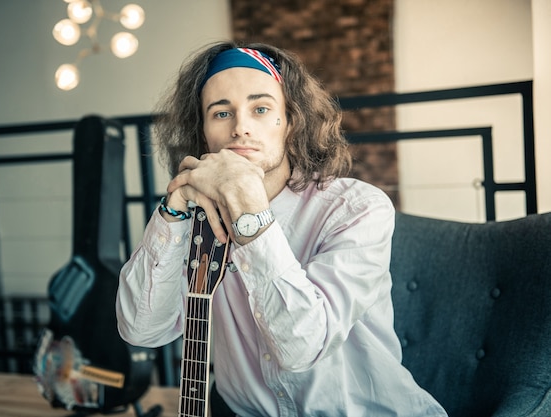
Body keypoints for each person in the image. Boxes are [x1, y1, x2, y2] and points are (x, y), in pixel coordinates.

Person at [116, 41, 447, 416]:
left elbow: (302, 346)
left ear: (291, 121)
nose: (240, 128)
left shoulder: (357, 209)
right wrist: (173, 209)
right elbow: (142, 330)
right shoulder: (194, 219)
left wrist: (248, 209)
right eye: (221, 113)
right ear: (204, 132)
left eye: (260, 109)